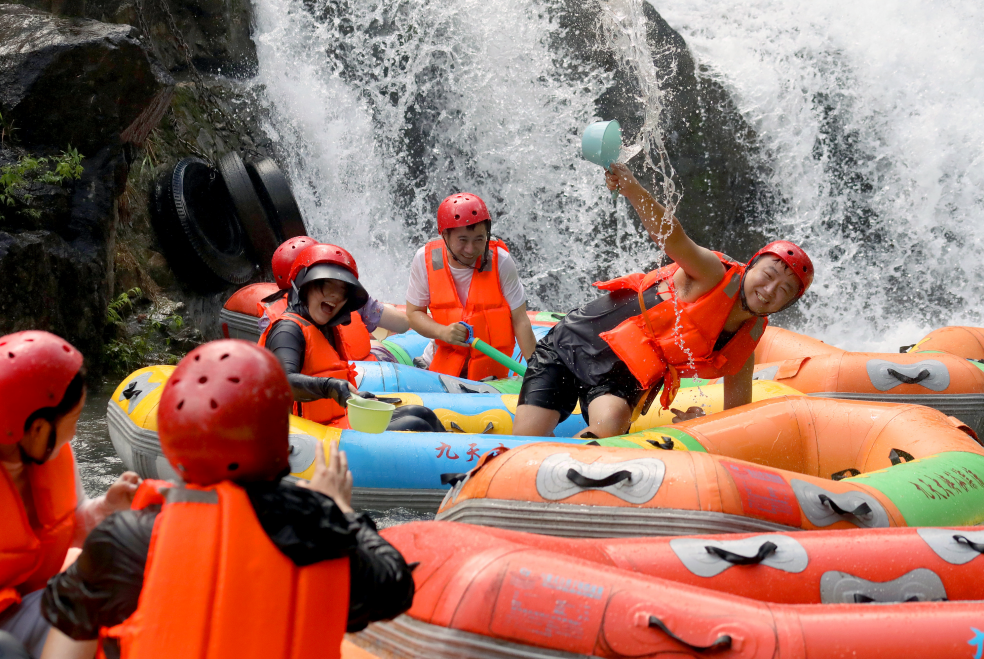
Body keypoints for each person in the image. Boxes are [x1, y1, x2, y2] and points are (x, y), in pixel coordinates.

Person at [40, 340, 415, 659]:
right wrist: (339, 508)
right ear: (280, 440)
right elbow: (396, 586)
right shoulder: (320, 531)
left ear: (171, 437)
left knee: (79, 580)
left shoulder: (125, 539)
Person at [512, 163, 814, 439]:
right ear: (750, 266)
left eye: (784, 290)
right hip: (577, 341)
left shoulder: (742, 349)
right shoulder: (711, 273)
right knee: (527, 436)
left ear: (784, 305)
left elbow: (735, 417)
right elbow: (671, 236)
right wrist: (631, 187)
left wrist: (697, 427)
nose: (770, 289)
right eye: (769, 274)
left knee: (611, 424)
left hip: (623, 378)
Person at [0, 331, 140, 658]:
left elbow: (65, 527)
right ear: (36, 429)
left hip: (30, 602)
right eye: (73, 419)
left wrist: (107, 507)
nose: (75, 433)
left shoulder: (53, 453)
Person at [261, 243, 444, 431]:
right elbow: (283, 383)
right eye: (326, 284)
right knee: (414, 425)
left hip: (335, 422)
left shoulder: (324, 328)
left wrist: (352, 397)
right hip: (307, 434)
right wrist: (329, 386)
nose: (334, 295)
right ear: (305, 286)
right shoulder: (287, 330)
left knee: (422, 414)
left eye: (342, 289)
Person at [405, 193, 537, 380]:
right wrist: (442, 332)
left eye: (479, 239)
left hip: (489, 376)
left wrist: (538, 372)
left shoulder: (501, 262)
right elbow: (413, 314)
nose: (471, 249)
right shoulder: (424, 259)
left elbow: (520, 320)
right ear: (445, 235)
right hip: (438, 366)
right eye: (463, 240)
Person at [258, 236, 410, 362]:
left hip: (346, 376)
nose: (335, 293)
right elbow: (402, 324)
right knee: (378, 345)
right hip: (345, 379)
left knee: (378, 345)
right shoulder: (284, 327)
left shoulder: (270, 318)